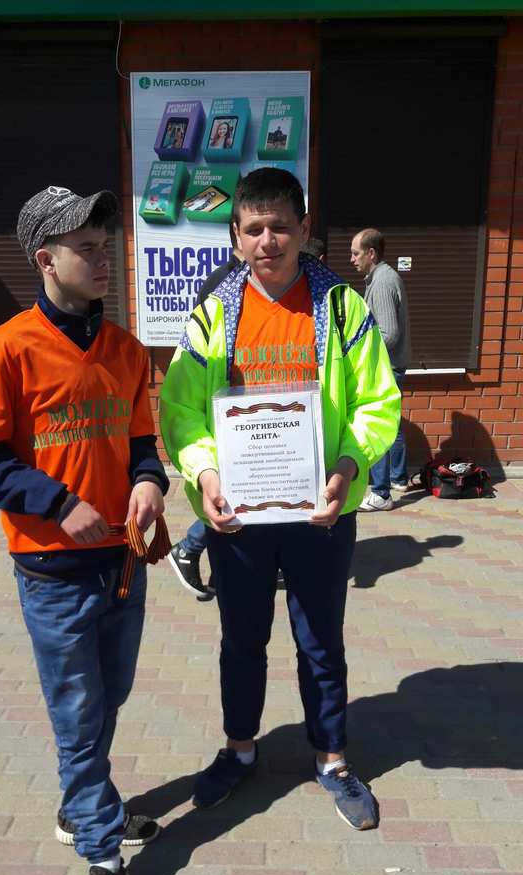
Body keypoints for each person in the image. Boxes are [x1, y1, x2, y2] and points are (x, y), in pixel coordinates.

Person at [0, 185, 169, 875]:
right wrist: (55, 502)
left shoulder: (126, 350)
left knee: (110, 695)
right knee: (78, 714)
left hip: (124, 559)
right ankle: (103, 856)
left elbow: (141, 440)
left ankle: (84, 804)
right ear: (45, 259)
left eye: (105, 246)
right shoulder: (3, 351)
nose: (103, 259)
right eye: (86, 248)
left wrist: (150, 481)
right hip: (52, 570)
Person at [160, 168, 400, 830]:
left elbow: (378, 400)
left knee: (320, 641)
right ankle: (240, 751)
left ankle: (332, 759)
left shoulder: (342, 309)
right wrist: (206, 474)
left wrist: (348, 467)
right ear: (236, 236)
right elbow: (181, 409)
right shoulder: (215, 312)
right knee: (241, 641)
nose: (268, 240)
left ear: (304, 230)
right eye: (255, 228)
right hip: (239, 516)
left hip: (321, 511)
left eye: (281, 227)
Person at [167, 221, 243, 601]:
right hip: (227, 417)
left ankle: (212, 568)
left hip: (248, 418)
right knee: (226, 499)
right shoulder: (223, 284)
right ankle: (190, 549)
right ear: (238, 236)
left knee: (234, 501)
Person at [350, 228, 412, 511]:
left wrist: (360, 351)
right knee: (392, 421)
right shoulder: (381, 277)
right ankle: (398, 478)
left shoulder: (383, 281)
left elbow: (389, 333)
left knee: (377, 425)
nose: (352, 259)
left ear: (371, 253)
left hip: (386, 365)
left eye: (356, 253)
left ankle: (381, 494)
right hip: (394, 364)